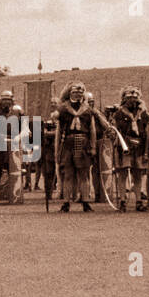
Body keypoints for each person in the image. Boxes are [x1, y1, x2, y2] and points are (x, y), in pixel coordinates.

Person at [55, 82, 98, 212]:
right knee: (68, 175)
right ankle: (66, 202)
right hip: (67, 144)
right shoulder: (62, 109)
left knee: (83, 174)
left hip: (83, 143)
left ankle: (85, 201)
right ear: (70, 93)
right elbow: (59, 131)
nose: (78, 94)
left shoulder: (88, 110)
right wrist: (57, 150)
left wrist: (93, 146)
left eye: (80, 92)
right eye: (75, 92)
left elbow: (92, 129)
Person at [111, 86, 149, 212]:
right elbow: (114, 131)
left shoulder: (143, 114)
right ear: (124, 98)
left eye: (135, 97)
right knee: (122, 174)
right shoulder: (118, 114)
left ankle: (139, 201)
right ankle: (122, 200)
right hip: (124, 146)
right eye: (129, 97)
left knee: (138, 174)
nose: (132, 100)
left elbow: (148, 132)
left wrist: (147, 150)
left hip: (139, 146)